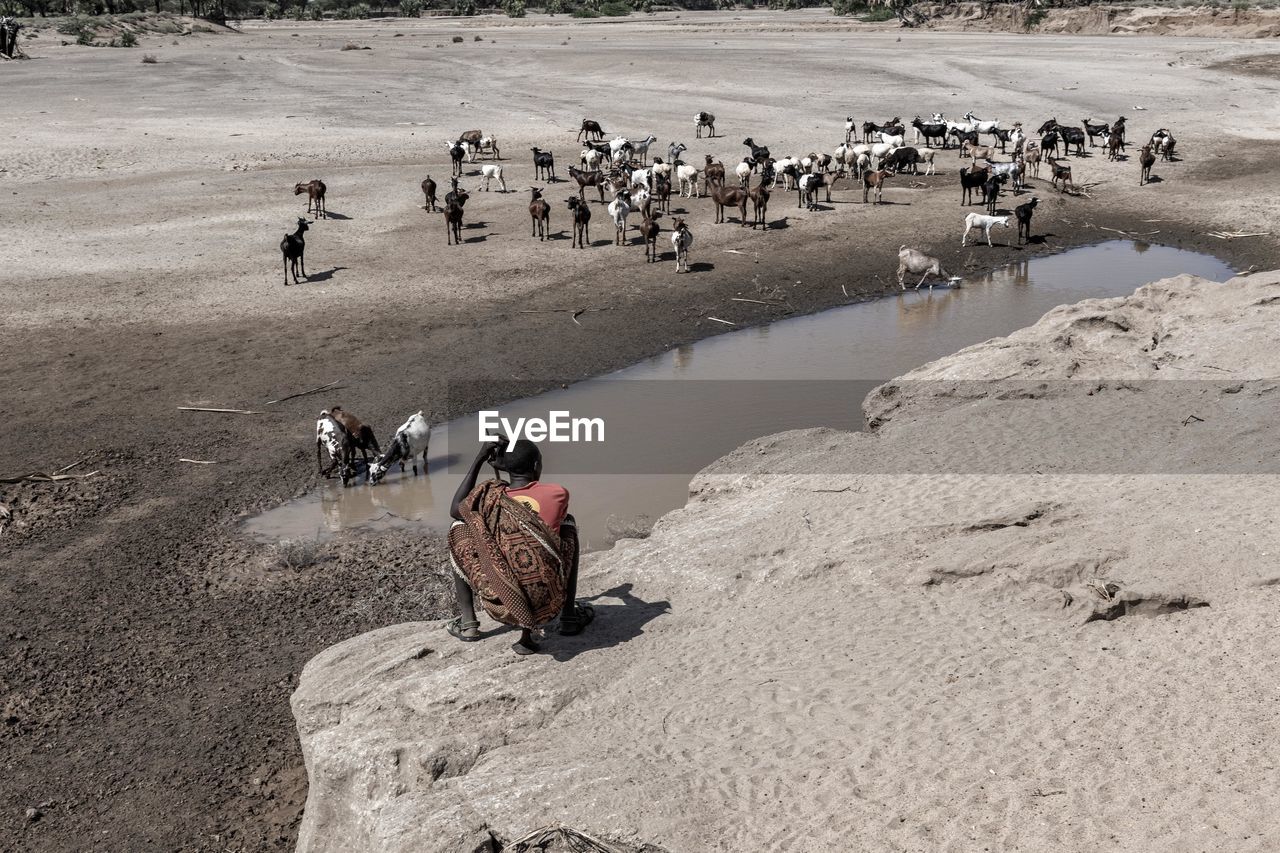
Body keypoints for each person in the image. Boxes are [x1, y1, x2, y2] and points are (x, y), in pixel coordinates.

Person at [447, 438, 592, 655]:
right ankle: (569, 616)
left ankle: (468, 624)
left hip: (500, 602)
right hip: (548, 604)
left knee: (458, 527)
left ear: (504, 467)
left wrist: (479, 460)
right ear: (536, 466)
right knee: (567, 522)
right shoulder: (557, 493)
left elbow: (456, 509)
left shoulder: (488, 497)